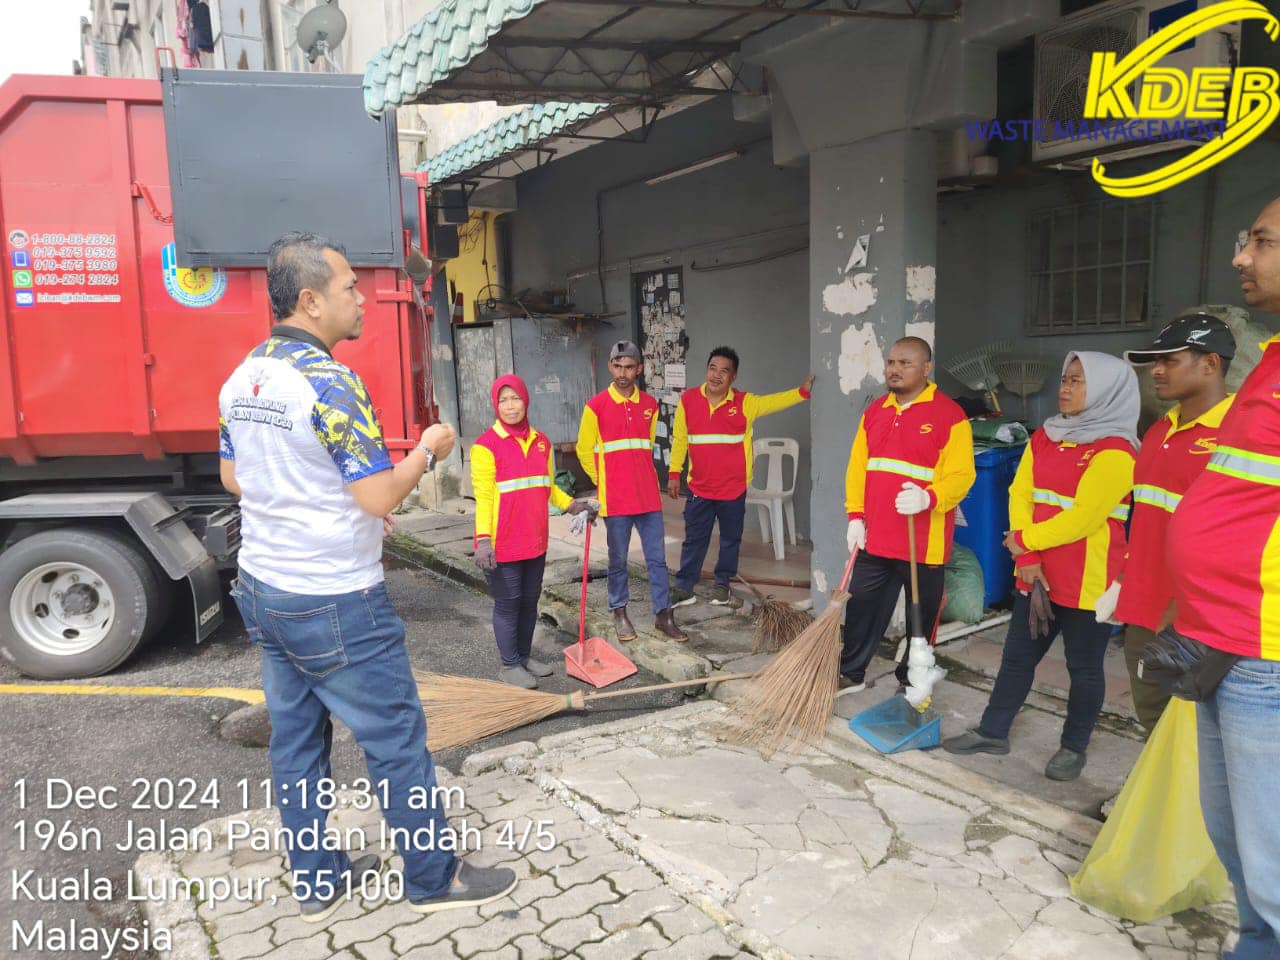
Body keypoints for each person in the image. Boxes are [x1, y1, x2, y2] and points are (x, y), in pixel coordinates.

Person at [219, 232, 515, 921]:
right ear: (311, 300)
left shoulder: (246, 375)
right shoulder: (329, 382)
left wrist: (322, 501)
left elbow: (238, 476)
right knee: (395, 739)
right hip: (334, 599)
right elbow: (379, 495)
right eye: (351, 287)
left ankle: (317, 880)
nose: (362, 299)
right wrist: (431, 452)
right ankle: (433, 879)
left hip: (264, 588)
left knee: (295, 742)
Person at [1166, 195, 1280, 959]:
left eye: (1262, 241)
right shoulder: (1270, 361)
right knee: (1232, 833)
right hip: (1211, 636)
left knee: (1272, 856)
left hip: (1262, 648)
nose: (1240, 257)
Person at [943, 351, 1137, 782]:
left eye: (1077, 381)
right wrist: (1026, 557)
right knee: (1016, 660)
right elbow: (1020, 492)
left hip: (1088, 583)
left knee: (1083, 669)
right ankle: (993, 731)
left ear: (1107, 390)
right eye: (1065, 379)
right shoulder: (1046, 436)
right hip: (1036, 575)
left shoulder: (1118, 451)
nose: (1064, 388)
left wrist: (1024, 542)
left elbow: (1084, 517)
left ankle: (1073, 747)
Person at [1093, 315, 1234, 734]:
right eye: (1153, 362)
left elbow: (1237, 540)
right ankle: (1158, 800)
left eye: (1169, 360)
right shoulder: (1160, 430)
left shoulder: (1235, 435)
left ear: (1209, 363)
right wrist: (1123, 578)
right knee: (1153, 721)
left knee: (1196, 731)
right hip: (1144, 610)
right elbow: (1148, 520)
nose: (1155, 370)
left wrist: (1185, 607)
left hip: (1197, 619)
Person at [839, 337, 975, 693]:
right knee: (862, 609)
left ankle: (911, 677)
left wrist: (930, 498)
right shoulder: (875, 411)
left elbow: (963, 475)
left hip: (923, 542)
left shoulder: (949, 415)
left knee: (921, 617)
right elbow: (858, 469)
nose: (894, 370)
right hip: (876, 536)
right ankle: (851, 673)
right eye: (890, 362)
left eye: (905, 363)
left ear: (926, 369)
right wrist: (855, 515)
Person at [471, 374, 597, 688]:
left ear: (526, 400)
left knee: (530, 601)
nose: (510, 406)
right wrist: (483, 540)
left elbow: (548, 486)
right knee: (508, 602)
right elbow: (484, 497)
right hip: (503, 542)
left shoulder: (541, 441)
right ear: (495, 405)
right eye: (503, 400)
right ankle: (509, 664)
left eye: (515, 398)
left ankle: (523, 657)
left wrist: (572, 505)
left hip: (535, 539)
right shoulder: (485, 446)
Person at [667, 347, 814, 608]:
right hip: (700, 487)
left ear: (733, 377)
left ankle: (722, 584)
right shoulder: (688, 401)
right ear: (706, 369)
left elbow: (773, 401)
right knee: (694, 539)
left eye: (724, 371)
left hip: (733, 489)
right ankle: (685, 587)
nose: (716, 375)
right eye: (712, 368)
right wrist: (674, 473)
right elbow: (680, 439)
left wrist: (801, 393)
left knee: (730, 539)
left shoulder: (745, 403)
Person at [576, 340, 687, 642]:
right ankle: (619, 611)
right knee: (618, 560)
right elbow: (584, 450)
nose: (623, 373)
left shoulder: (650, 406)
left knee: (657, 559)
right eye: (617, 366)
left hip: (648, 497)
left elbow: (647, 448)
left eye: (629, 367)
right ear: (611, 367)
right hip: (615, 500)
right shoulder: (595, 406)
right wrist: (604, 480)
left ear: (639, 369)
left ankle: (663, 615)